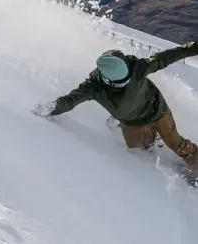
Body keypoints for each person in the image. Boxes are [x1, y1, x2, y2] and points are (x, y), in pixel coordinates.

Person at [33, 42, 198, 170]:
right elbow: (71, 100)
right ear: (106, 80)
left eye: (127, 79)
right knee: (138, 148)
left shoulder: (137, 68)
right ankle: (152, 140)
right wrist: (52, 107)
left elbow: (170, 55)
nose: (125, 84)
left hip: (156, 111)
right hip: (131, 122)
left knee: (177, 144)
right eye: (120, 83)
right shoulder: (93, 87)